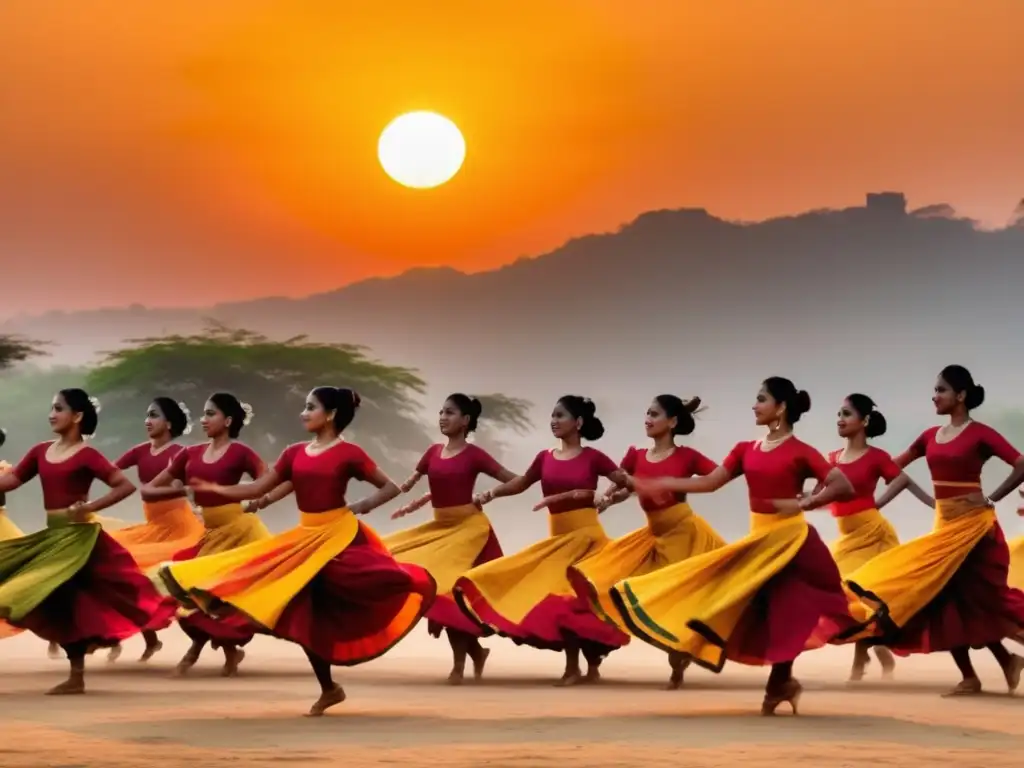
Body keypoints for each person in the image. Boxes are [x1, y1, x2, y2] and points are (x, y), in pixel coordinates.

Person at [158, 386, 437, 716]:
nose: (303, 413)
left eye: (310, 407)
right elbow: (262, 485)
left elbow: (389, 487)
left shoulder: (350, 454)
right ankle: (329, 688)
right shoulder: (295, 452)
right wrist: (226, 492)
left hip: (339, 536)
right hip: (305, 537)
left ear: (330, 414)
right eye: (304, 407)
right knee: (299, 610)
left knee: (335, 600)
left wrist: (363, 504)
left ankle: (329, 682)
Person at [610, 377, 857, 715]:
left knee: (788, 609)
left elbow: (842, 485)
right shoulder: (745, 449)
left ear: (780, 407)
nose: (754, 406)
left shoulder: (801, 451)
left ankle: (778, 683)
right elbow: (712, 483)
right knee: (757, 609)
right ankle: (781, 682)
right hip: (759, 539)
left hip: (791, 540)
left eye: (761, 399)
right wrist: (667, 481)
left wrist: (807, 502)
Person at [844, 366, 1024, 696]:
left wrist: (992, 497)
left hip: (975, 528)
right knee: (943, 598)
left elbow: (1021, 463)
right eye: (935, 390)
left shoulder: (981, 434)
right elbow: (888, 466)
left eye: (941, 390)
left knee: (982, 599)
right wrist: (842, 477)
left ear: (961, 396)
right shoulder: (929, 436)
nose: (935, 396)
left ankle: (998, 664)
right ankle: (982, 671)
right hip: (944, 527)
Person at [0, 389, 170, 694]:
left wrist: (90, 507)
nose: (52, 414)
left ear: (77, 416)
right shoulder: (40, 451)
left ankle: (76, 675)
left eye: (59, 408)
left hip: (80, 540)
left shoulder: (88, 455)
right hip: (53, 538)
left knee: (66, 602)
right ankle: (76, 676)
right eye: (51, 408)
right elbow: (10, 481)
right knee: (62, 606)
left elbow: (124, 486)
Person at [454, 395, 631, 686]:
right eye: (552, 415)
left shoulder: (593, 457)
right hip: (558, 541)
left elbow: (626, 483)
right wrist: (489, 494)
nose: (554, 421)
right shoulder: (544, 457)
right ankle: (582, 665)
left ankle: (579, 667)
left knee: (576, 603)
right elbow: (521, 483)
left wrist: (609, 498)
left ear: (578, 423)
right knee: (558, 602)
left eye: (560, 416)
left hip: (587, 539)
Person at [565, 394, 726, 690]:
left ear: (673, 421)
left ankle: (679, 659)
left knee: (678, 599)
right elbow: (623, 486)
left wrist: (674, 484)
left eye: (654, 414)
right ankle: (601, 647)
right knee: (608, 583)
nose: (647, 419)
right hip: (652, 535)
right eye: (646, 414)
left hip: (683, 534)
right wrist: (607, 500)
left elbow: (718, 476)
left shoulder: (687, 456)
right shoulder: (637, 456)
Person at [385, 394, 515, 684]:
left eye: (451, 413)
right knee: (395, 563)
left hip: (469, 532)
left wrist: (488, 495)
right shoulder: (432, 452)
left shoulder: (475, 455)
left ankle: (458, 667)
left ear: (466, 420)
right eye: (441, 412)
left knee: (451, 594)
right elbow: (407, 485)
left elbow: (515, 479)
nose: (443, 417)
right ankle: (477, 653)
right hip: (439, 530)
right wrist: (398, 502)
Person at [142, 392, 269, 677]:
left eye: (210, 413)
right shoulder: (189, 454)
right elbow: (148, 490)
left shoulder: (241, 453)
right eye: (203, 413)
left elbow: (266, 480)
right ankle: (229, 651)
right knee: (188, 589)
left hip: (241, 532)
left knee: (227, 595)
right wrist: (184, 490)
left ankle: (197, 653)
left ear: (228, 420)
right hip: (210, 534)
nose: (204, 419)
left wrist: (247, 498)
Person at [826, 393, 933, 682]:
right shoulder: (833, 458)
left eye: (846, 414)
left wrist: (934, 505)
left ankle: (859, 663)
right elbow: (825, 494)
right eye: (839, 413)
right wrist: (804, 500)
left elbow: (902, 480)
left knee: (865, 593)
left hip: (873, 535)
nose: (840, 419)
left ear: (864, 421)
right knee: (841, 594)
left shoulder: (876, 457)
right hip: (847, 537)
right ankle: (873, 653)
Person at [106, 398, 205, 662]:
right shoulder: (139, 451)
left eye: (154, 415)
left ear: (169, 423)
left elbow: (197, 485)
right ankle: (146, 639)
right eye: (146, 415)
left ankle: (204, 639)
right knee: (117, 566)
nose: (147, 421)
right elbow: (108, 470)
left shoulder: (180, 452)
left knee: (160, 581)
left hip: (180, 529)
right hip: (153, 528)